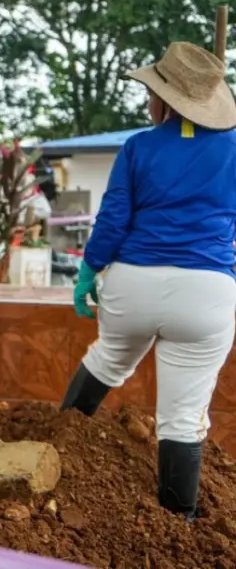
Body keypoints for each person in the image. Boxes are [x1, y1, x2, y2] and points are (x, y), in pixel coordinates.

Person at [63, 41, 236, 521]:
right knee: (181, 418)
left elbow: (114, 219)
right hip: (207, 293)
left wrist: (88, 270)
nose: (146, 100)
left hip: (132, 285)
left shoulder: (138, 146)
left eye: (151, 92)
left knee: (107, 360)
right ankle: (177, 521)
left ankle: (57, 446)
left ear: (166, 101)